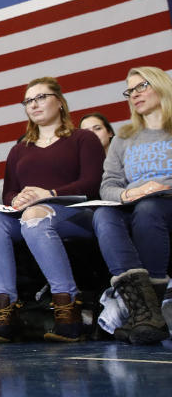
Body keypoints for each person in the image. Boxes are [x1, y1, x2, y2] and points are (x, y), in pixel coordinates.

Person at [0, 77, 105, 343]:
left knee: (34, 216)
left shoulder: (83, 138)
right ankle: (6, 312)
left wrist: (50, 195)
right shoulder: (18, 149)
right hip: (28, 214)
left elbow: (93, 184)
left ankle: (67, 310)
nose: (33, 104)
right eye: (28, 101)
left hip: (76, 213)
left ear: (59, 102)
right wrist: (18, 199)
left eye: (41, 97)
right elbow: (11, 189)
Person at [93, 67, 172, 345]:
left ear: (161, 85)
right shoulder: (124, 138)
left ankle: (151, 306)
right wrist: (128, 194)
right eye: (130, 90)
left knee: (148, 209)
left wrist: (161, 187)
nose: (134, 94)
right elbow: (109, 185)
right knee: (103, 214)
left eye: (141, 86)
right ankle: (145, 311)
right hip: (134, 204)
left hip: (165, 202)